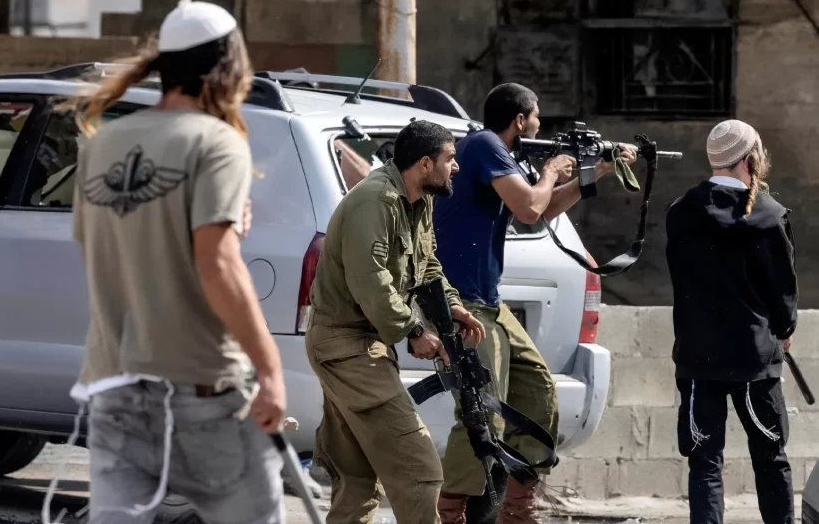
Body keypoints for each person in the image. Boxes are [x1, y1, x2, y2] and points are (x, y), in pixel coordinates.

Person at [67, 0, 287, 524]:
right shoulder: (218, 142)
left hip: (113, 389)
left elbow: (105, 241)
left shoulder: (103, 143)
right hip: (203, 391)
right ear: (230, 66)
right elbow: (218, 264)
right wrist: (270, 368)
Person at [432, 83, 637, 524]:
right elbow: (529, 207)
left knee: (539, 391)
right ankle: (451, 513)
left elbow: (542, 212)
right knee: (480, 409)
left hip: (488, 301)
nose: (540, 125)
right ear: (520, 120)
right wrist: (550, 170)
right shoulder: (485, 144)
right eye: (538, 117)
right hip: (463, 303)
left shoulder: (499, 157)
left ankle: (518, 509)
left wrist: (594, 172)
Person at [305, 119, 486, 524]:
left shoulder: (419, 199)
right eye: (450, 158)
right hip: (345, 345)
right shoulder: (376, 201)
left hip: (363, 344)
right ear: (425, 164)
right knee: (419, 467)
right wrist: (413, 329)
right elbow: (370, 279)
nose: (455, 167)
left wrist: (452, 306)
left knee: (356, 477)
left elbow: (428, 265)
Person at [665, 120, 796, 524]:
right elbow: (783, 288)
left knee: (704, 462)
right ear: (751, 158)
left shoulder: (681, 211)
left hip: (698, 357)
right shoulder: (771, 215)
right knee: (771, 459)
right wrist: (785, 329)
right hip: (754, 359)